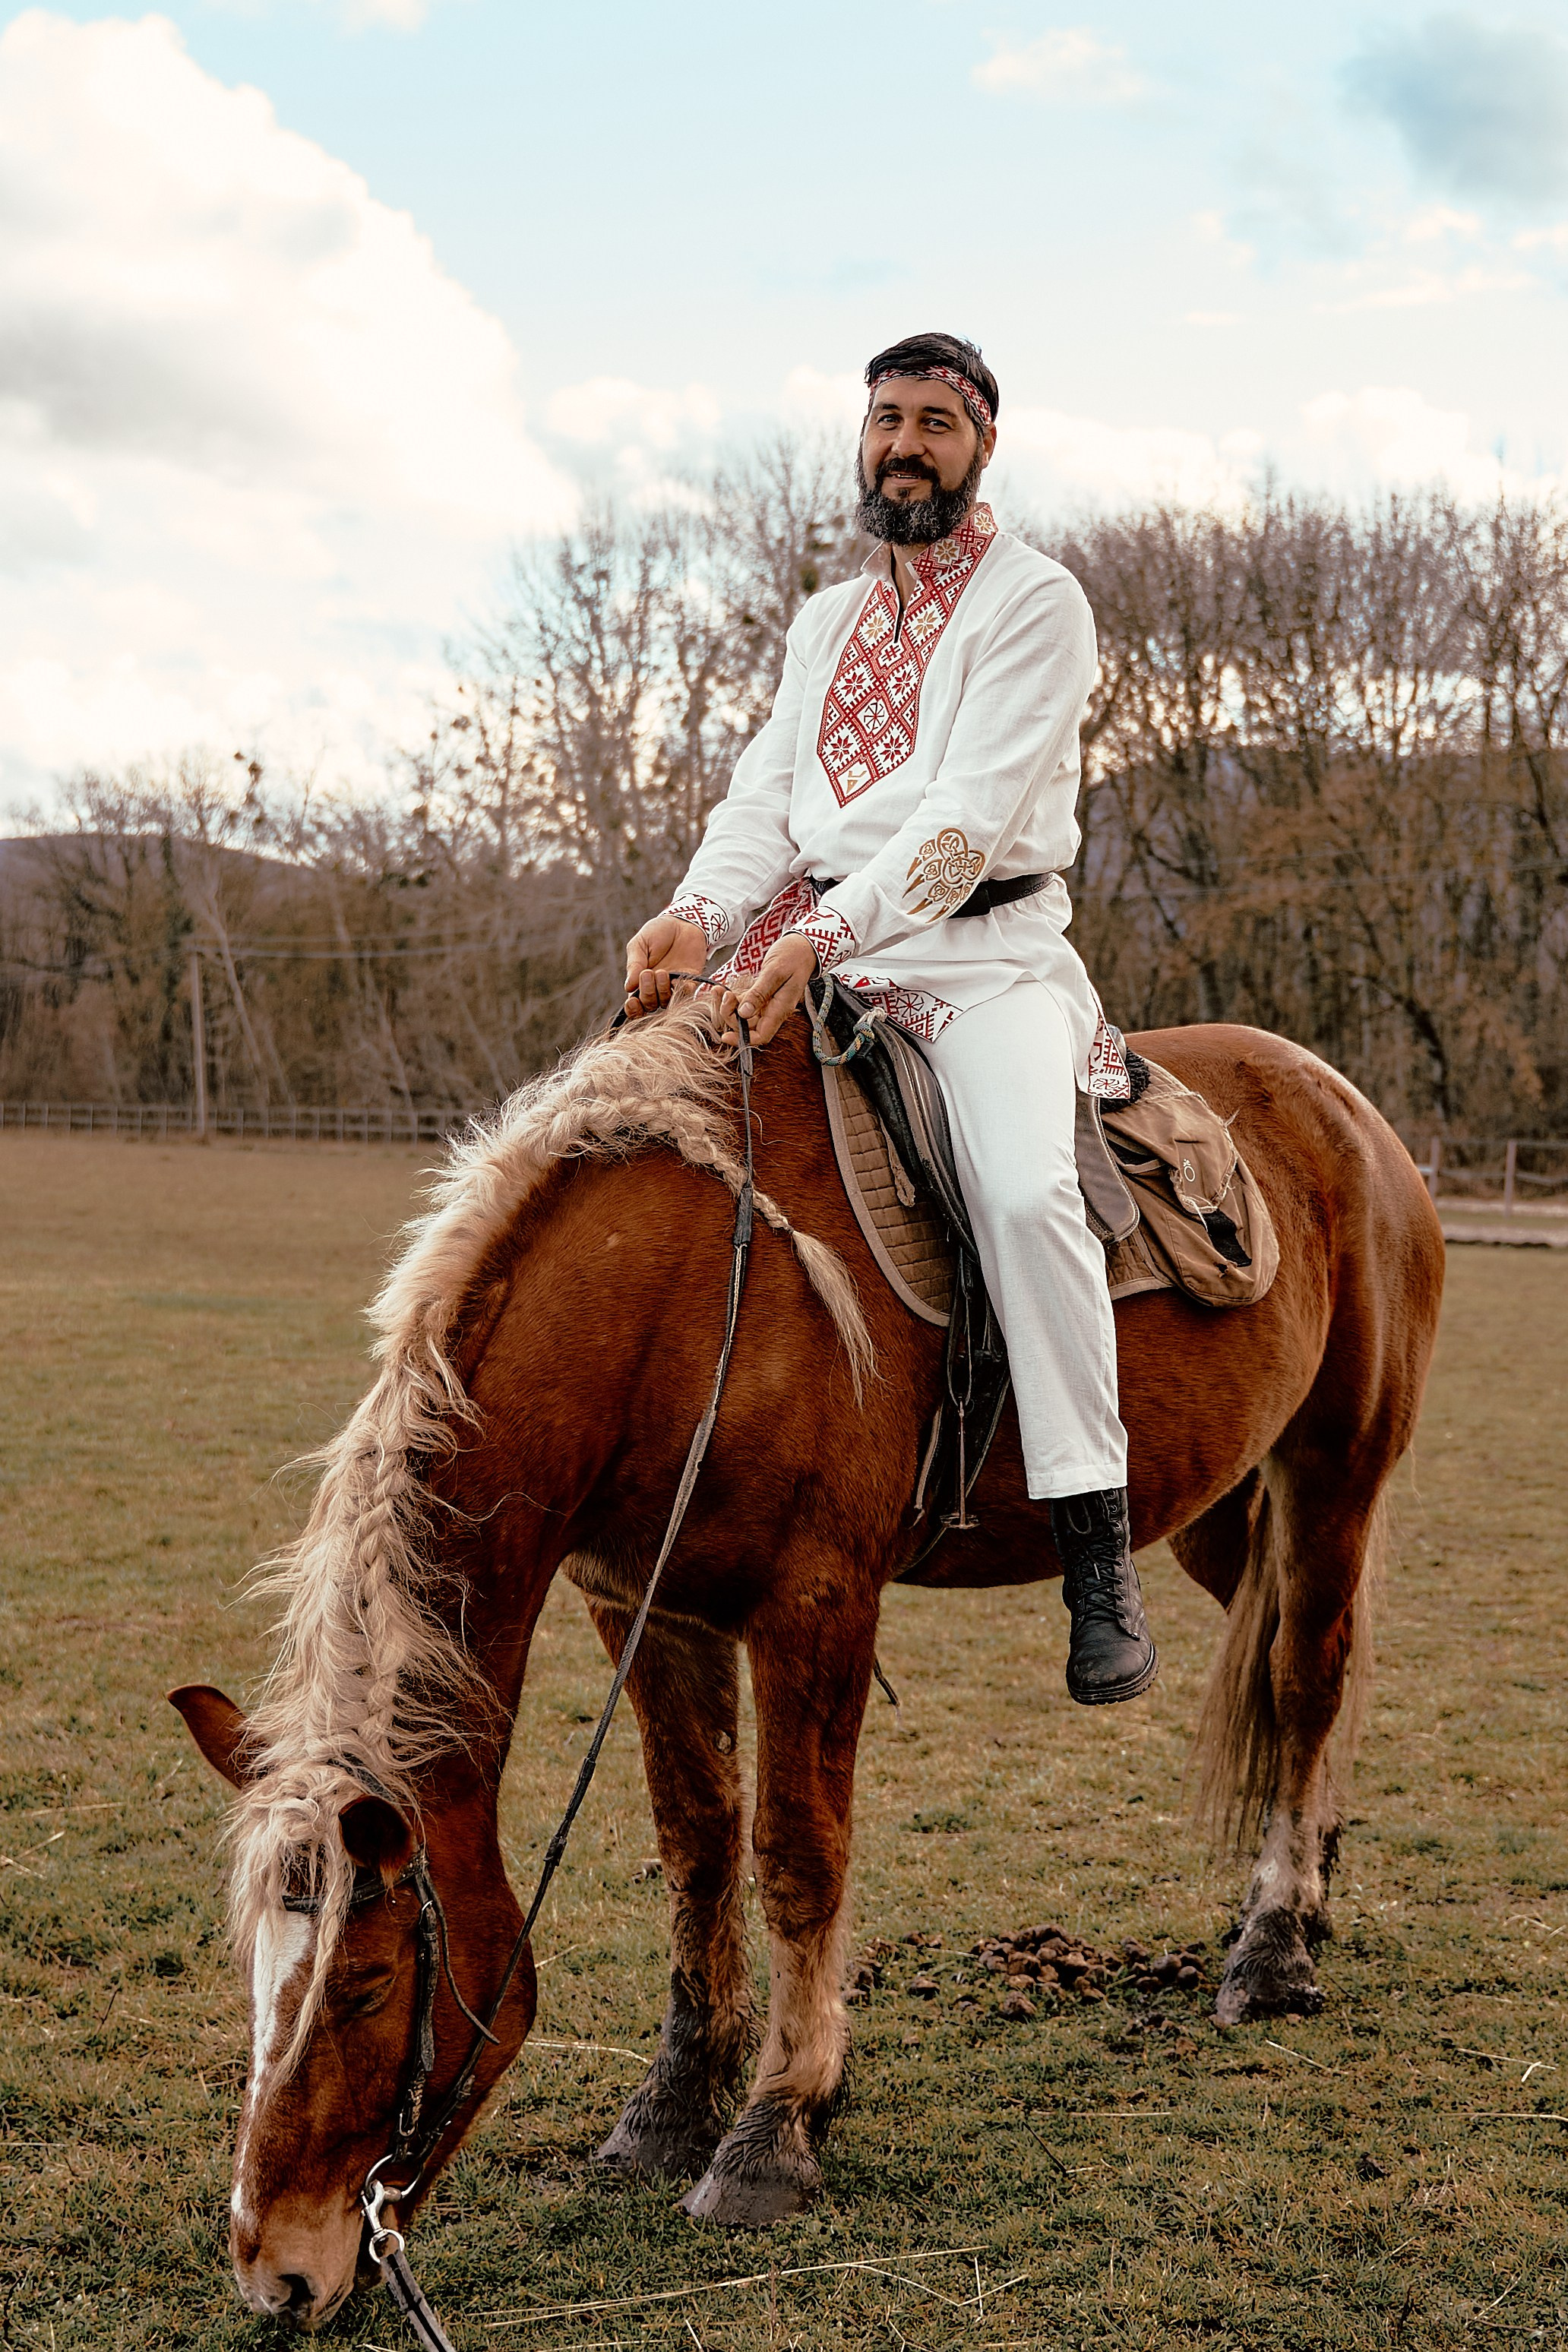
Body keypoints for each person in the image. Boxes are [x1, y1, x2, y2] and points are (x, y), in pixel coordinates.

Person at [623, 330, 1156, 1706]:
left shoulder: (1038, 603)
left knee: (1030, 1192)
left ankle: (1095, 1541)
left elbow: (963, 827)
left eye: (934, 422)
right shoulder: (823, 623)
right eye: (884, 419)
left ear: (982, 449)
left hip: (984, 964)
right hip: (818, 959)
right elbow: (763, 806)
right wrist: (700, 912)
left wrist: (815, 931)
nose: (903, 443)